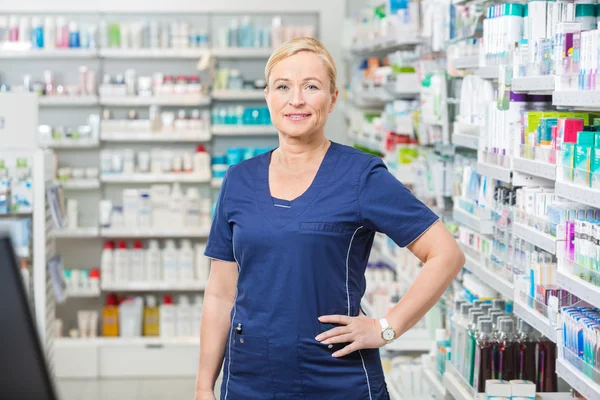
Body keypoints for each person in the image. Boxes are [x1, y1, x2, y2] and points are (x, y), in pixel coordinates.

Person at [195, 37, 465, 400]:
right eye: (283, 86)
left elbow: (446, 253)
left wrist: (386, 328)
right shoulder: (239, 180)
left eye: (311, 86)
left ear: (333, 98)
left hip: (337, 376)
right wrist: (203, 385)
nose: (296, 100)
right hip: (250, 378)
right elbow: (220, 294)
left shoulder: (360, 176)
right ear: (268, 97)